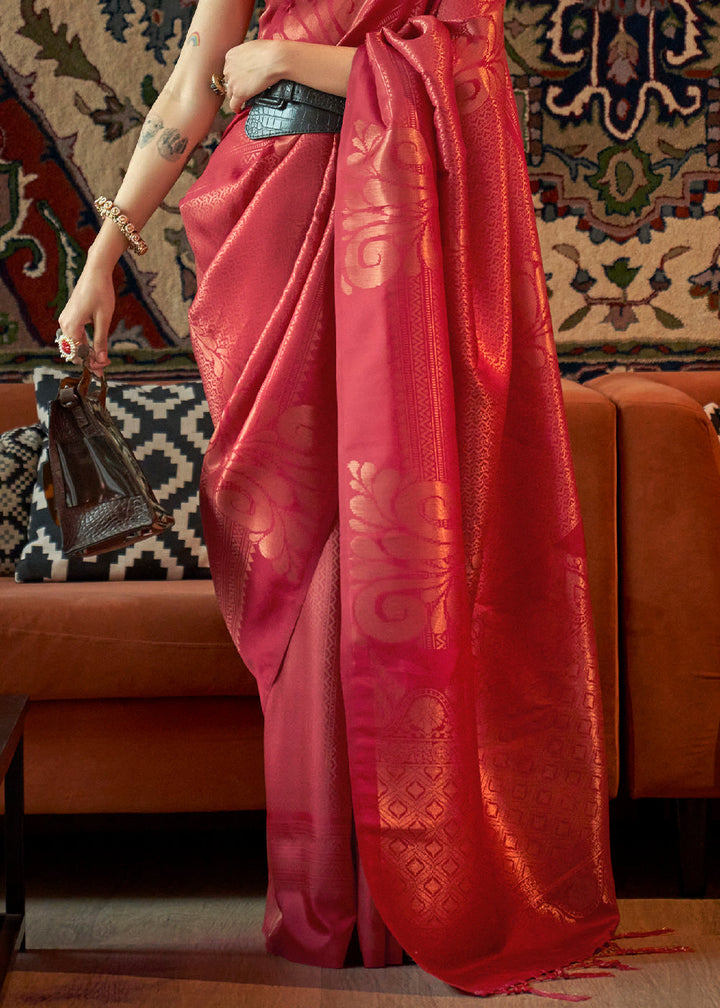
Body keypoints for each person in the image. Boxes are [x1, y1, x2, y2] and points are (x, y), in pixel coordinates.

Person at [58, 0, 619, 995]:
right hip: (270, 213)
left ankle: (394, 899)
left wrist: (293, 58)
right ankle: (324, 895)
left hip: (389, 220)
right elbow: (191, 85)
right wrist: (104, 253)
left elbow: (466, 65)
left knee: (375, 543)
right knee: (288, 544)